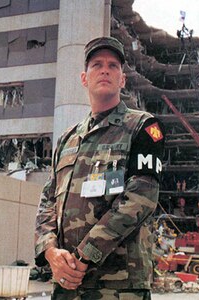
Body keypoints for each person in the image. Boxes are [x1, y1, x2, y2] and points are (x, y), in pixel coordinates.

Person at [35, 36, 165, 300]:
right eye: (97, 64)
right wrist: (50, 252)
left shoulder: (143, 127)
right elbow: (47, 202)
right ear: (84, 78)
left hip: (118, 287)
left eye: (113, 65)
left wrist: (85, 257)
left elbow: (141, 198)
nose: (105, 70)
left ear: (122, 80)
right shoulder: (68, 139)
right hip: (67, 284)